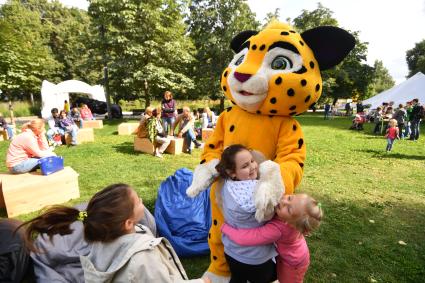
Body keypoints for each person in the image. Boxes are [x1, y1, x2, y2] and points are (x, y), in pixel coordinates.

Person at [17, 183, 210, 283]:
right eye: (139, 202)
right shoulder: (143, 258)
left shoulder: (99, 241)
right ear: (128, 223)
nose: (142, 200)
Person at [221, 193, 322, 283]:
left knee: (285, 280)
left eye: (288, 209)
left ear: (291, 224)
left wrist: (226, 228)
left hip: (293, 263)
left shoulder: (278, 230)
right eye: (290, 197)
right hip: (298, 253)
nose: (283, 201)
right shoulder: (290, 220)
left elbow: (249, 238)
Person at [215, 144, 278, 283]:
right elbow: (272, 212)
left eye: (252, 161)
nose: (253, 167)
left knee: (237, 279)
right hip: (257, 259)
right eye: (245, 166)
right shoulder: (258, 192)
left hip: (231, 252)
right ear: (232, 172)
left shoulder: (228, 184)